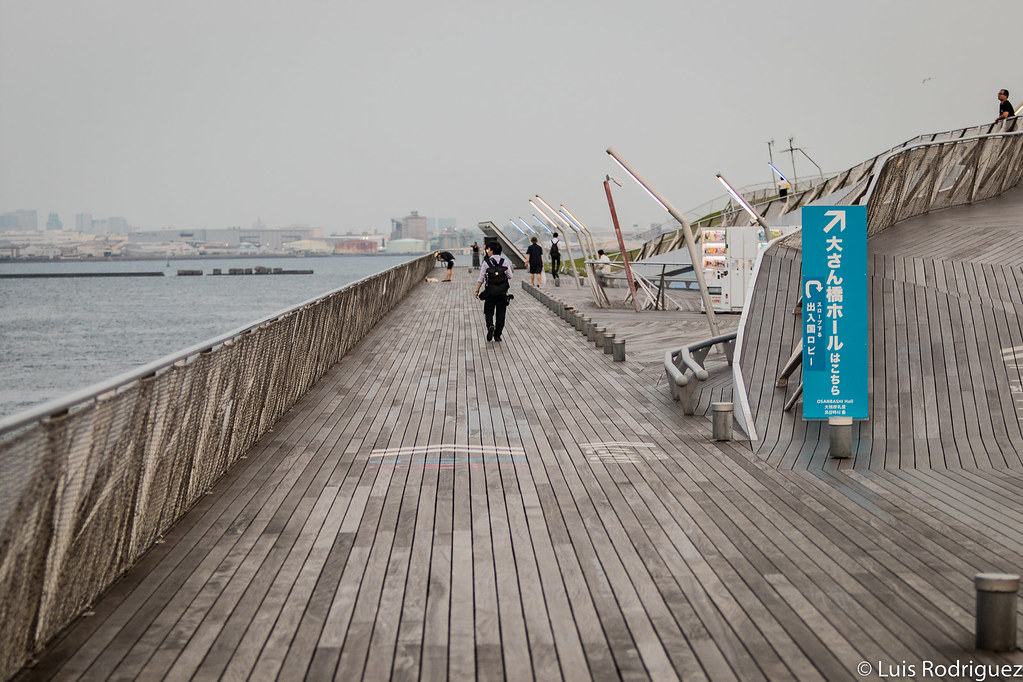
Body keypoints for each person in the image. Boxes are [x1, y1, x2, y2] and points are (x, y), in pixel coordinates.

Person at [474, 242, 513, 342]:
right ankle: (497, 335)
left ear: (491, 251)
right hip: (502, 293)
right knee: (501, 314)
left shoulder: (486, 263)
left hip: (490, 292)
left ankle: (490, 326)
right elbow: (510, 276)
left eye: (488, 249)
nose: (488, 251)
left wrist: (477, 290)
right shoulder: (505, 262)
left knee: (488, 312)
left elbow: (481, 278)